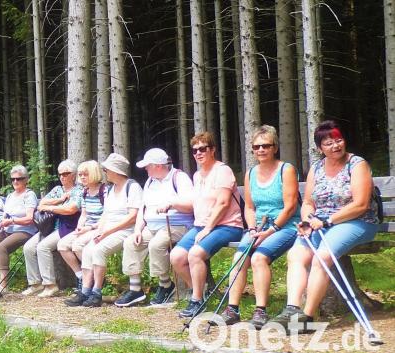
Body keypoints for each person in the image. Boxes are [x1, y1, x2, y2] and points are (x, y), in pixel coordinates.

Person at [270, 121, 379, 332]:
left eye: (339, 140)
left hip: (357, 221)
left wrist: (328, 221)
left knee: (323, 255)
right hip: (320, 223)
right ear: (320, 148)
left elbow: (361, 204)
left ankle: (307, 317)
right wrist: (306, 220)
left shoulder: (357, 164)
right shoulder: (317, 168)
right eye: (329, 143)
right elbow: (309, 202)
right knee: (296, 255)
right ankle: (292, 308)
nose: (336, 146)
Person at [215, 126, 301, 328]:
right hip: (259, 226)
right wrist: (253, 229)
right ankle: (232, 309)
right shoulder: (251, 173)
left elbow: (289, 207)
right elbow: (250, 207)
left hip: (285, 225)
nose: (261, 150)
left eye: (266, 145)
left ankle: (260, 310)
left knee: (259, 257)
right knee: (239, 257)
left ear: (275, 147)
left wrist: (271, 231)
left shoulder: (286, 169)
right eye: (256, 147)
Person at [171, 132, 244, 318]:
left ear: (212, 150)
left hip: (227, 226)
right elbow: (194, 205)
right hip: (201, 226)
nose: (198, 153)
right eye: (195, 150)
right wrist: (171, 204)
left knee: (195, 254)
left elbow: (223, 203)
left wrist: (208, 228)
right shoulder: (197, 175)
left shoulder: (222, 171)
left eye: (203, 149)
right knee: (177, 257)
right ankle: (201, 292)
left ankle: (196, 301)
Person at [66, 153, 142, 307]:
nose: (105, 172)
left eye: (107, 170)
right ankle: (85, 291)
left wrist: (107, 232)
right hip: (108, 229)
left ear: (116, 170)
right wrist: (98, 231)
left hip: (126, 230)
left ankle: (97, 292)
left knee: (98, 250)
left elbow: (133, 216)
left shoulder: (132, 187)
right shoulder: (112, 189)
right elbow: (106, 214)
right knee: (87, 249)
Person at [121, 148, 194, 306]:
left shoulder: (179, 178)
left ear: (158, 166)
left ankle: (165, 285)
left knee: (156, 244)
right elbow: (143, 209)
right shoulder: (150, 182)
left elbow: (191, 205)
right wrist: (138, 230)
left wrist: (172, 203)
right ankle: (135, 289)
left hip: (176, 224)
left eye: (147, 166)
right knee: (131, 242)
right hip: (152, 226)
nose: (145, 169)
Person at [22, 159, 82, 298]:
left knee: (43, 247)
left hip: (67, 227)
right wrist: (60, 200)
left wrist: (51, 207)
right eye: (60, 174)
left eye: (66, 174)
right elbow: (41, 203)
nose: (62, 176)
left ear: (73, 175)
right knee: (28, 247)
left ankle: (50, 285)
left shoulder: (78, 190)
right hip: (50, 227)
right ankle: (35, 284)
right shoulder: (57, 190)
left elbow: (71, 209)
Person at [0, 165, 38, 296]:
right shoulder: (10, 196)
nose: (15, 182)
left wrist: (12, 221)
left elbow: (30, 218)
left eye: (19, 179)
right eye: (12, 179)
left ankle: (3, 284)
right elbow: (5, 215)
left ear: (26, 180)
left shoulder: (29, 195)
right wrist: (2, 223)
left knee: (1, 248)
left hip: (25, 230)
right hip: (8, 229)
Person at [57, 160, 107, 294]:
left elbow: (107, 216)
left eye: (86, 174)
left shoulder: (104, 191)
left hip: (99, 227)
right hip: (86, 228)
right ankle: (81, 276)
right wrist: (79, 227)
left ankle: (93, 278)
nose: (82, 177)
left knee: (77, 245)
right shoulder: (85, 192)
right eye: (80, 175)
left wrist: (89, 228)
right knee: (62, 245)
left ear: (95, 174)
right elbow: (84, 214)